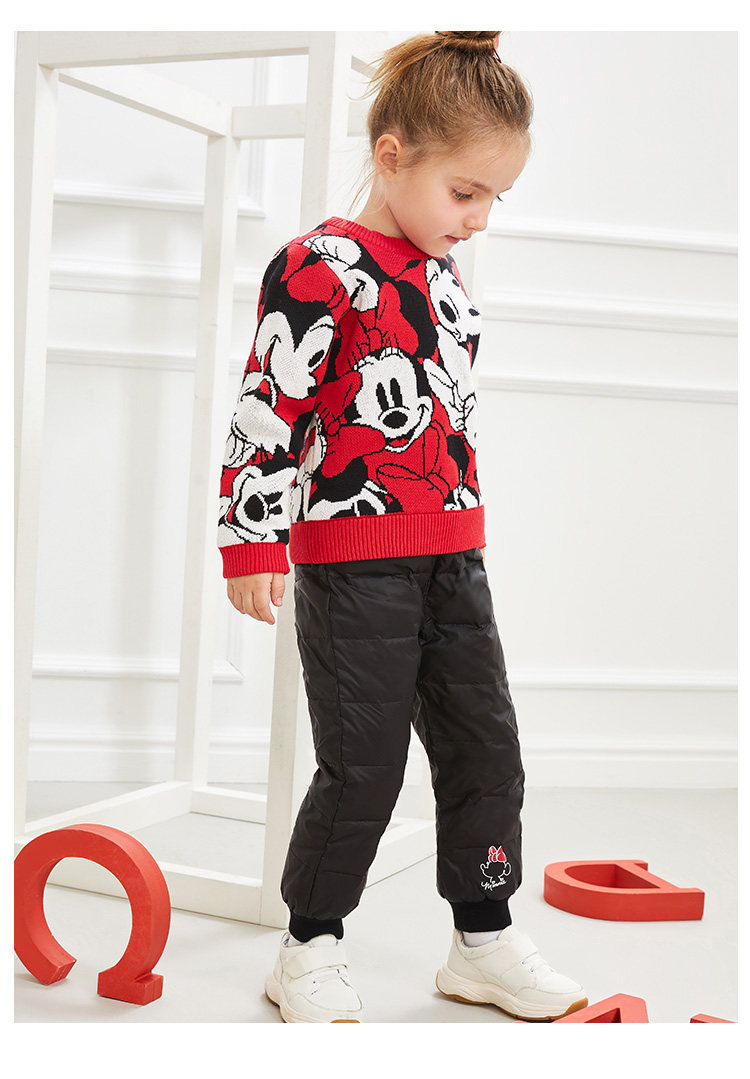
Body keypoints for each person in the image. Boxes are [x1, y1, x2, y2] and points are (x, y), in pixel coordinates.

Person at [217, 30, 588, 1023]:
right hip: (355, 570)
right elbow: (268, 408)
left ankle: (484, 938)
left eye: (495, 199)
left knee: (486, 749)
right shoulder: (318, 265)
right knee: (365, 763)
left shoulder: (448, 282)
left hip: (455, 558)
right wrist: (251, 538)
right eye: (466, 192)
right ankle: (307, 946)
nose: (480, 218)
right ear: (392, 156)